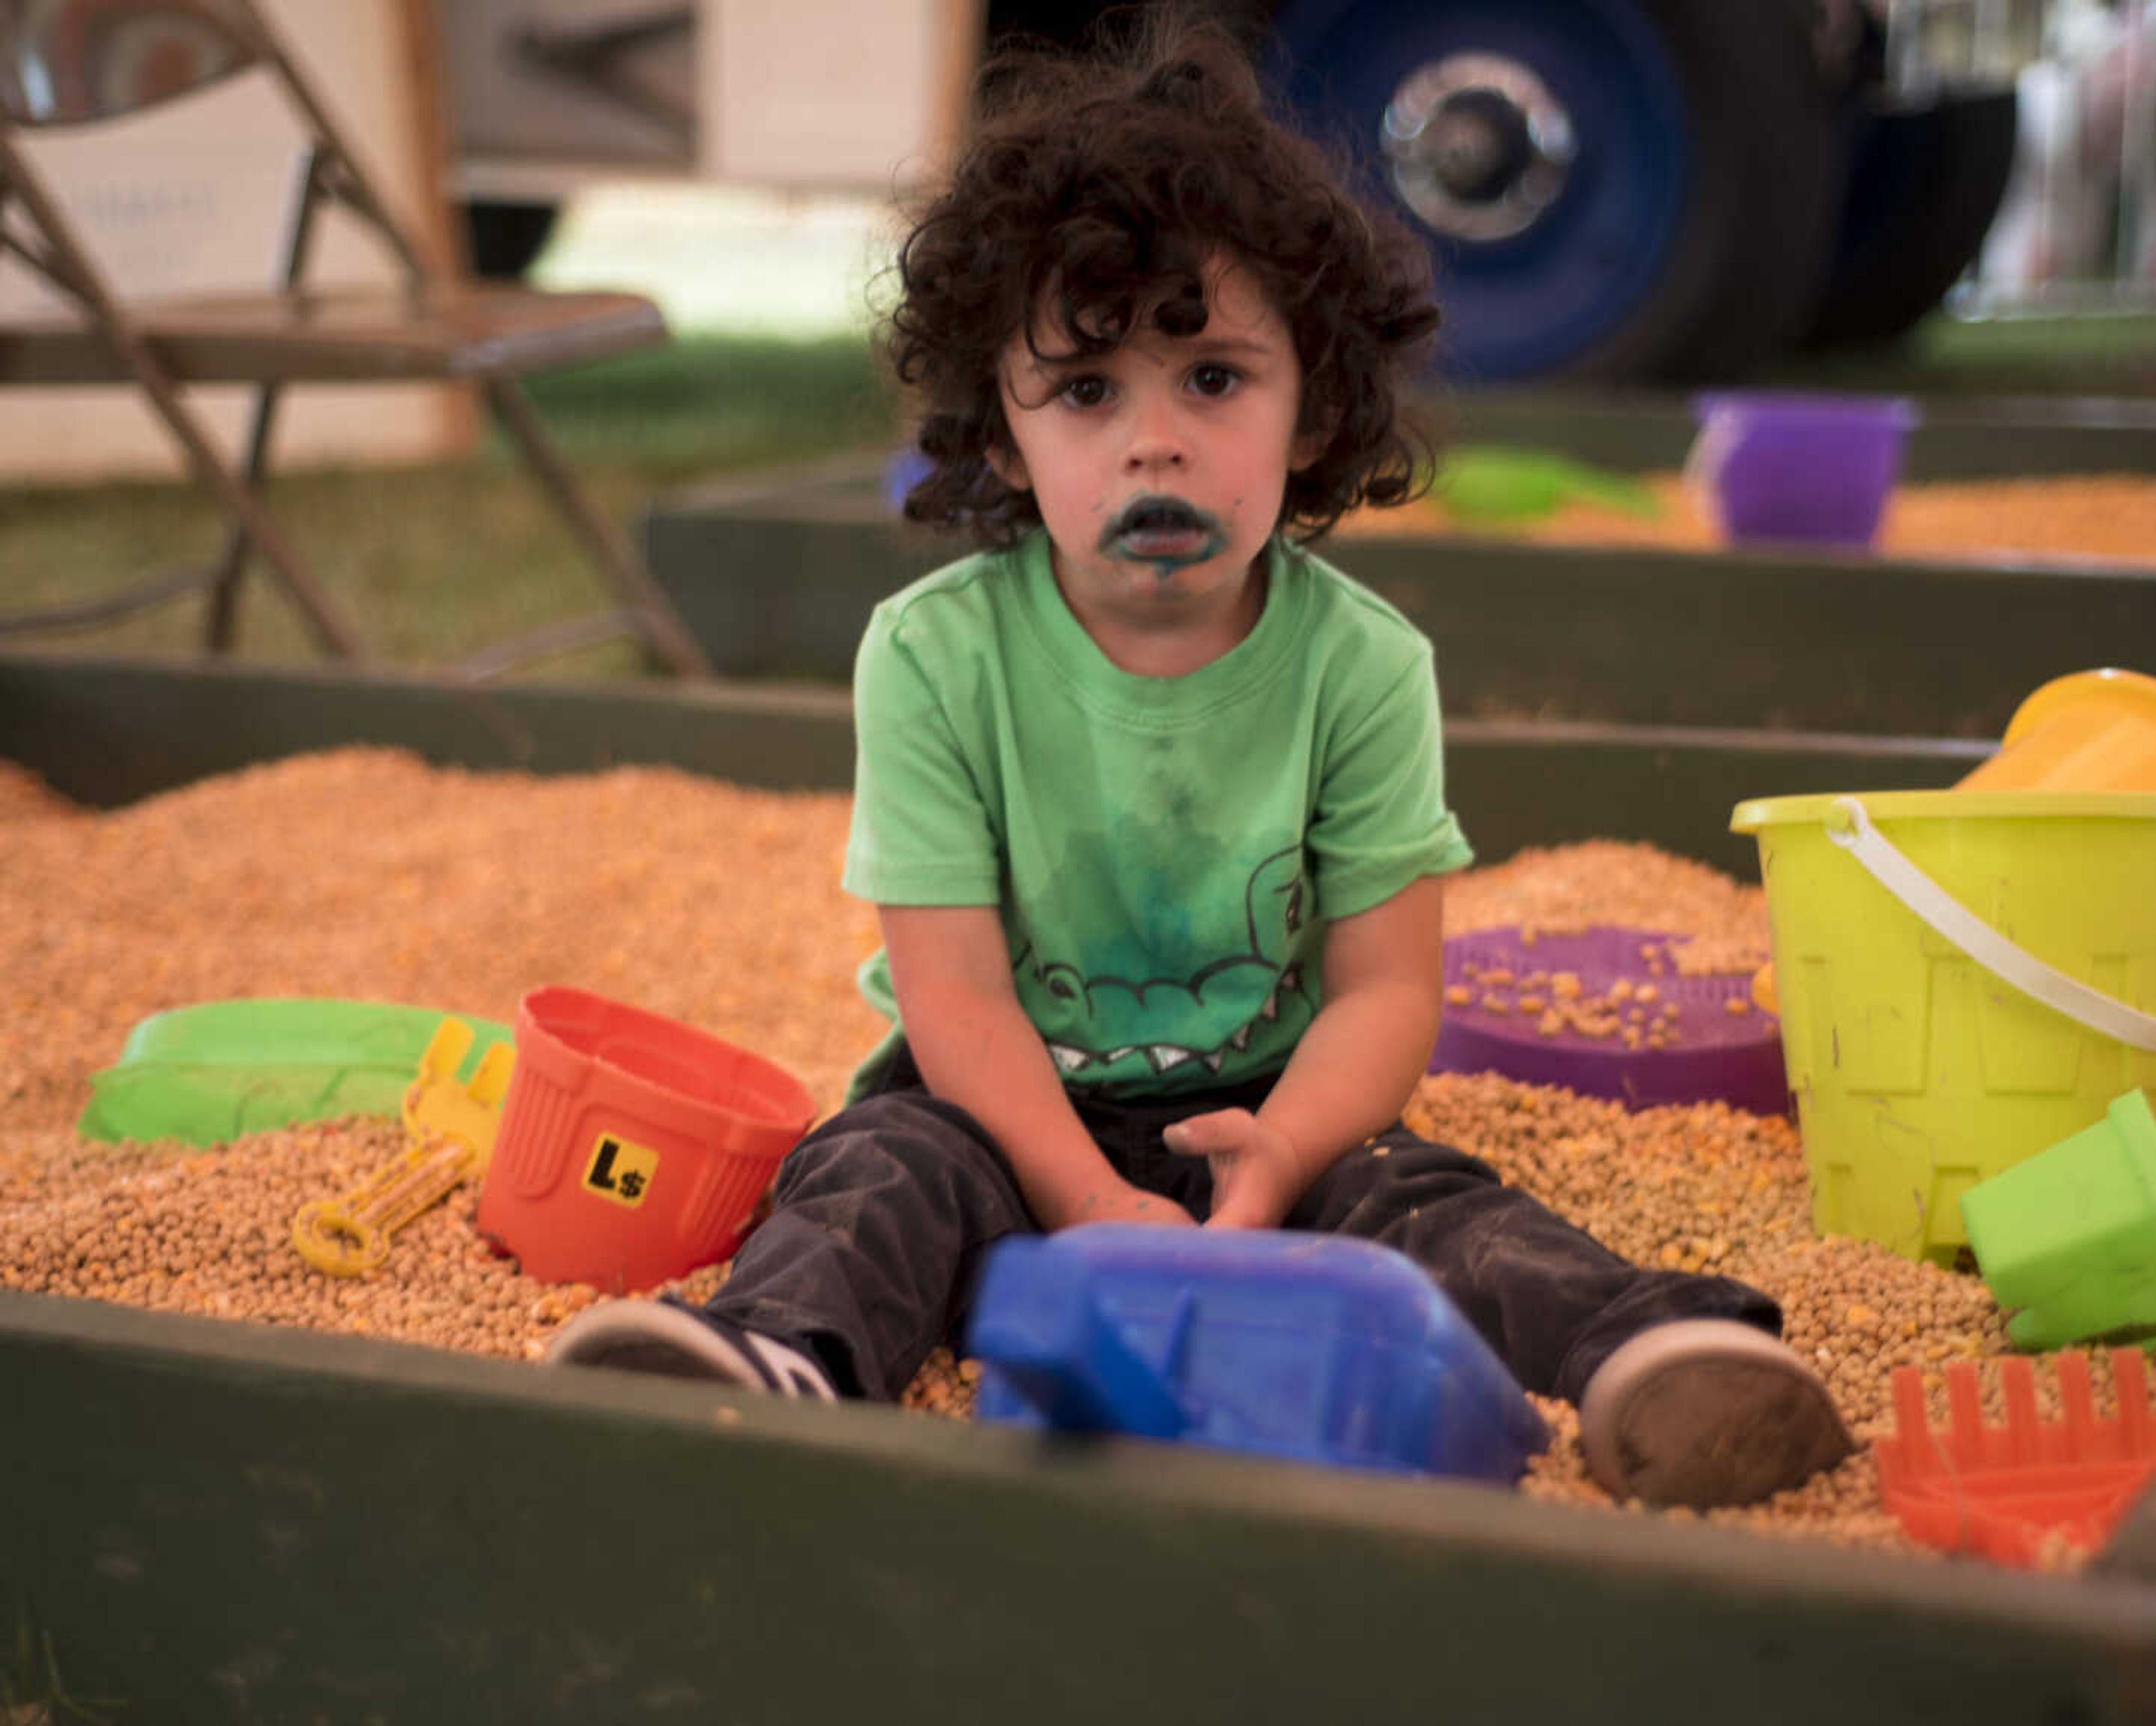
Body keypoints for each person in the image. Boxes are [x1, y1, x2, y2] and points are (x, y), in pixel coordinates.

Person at [545, 13, 1851, 1510]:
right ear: (1001, 425)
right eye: (1088, 392)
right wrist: (1087, 1198)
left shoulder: (1361, 665)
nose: (1153, 443)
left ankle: (1662, 1353)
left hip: (1269, 1117)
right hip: (996, 1112)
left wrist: (1286, 1156)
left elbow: (1386, 986)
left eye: (1215, 380)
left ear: (1315, 408)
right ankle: (768, 1360)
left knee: (1432, 1202)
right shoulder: (934, 655)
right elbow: (952, 991)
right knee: (870, 1173)